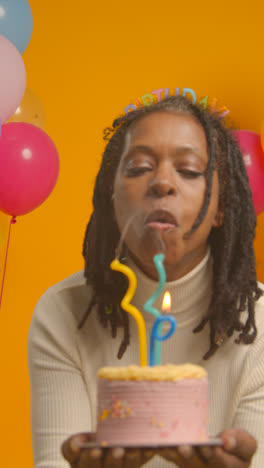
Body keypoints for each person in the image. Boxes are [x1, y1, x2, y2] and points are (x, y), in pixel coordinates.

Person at [28, 95, 264, 468]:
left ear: (220, 207)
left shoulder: (261, 324)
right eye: (138, 167)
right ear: (112, 197)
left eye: (188, 170)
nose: (162, 183)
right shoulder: (63, 314)